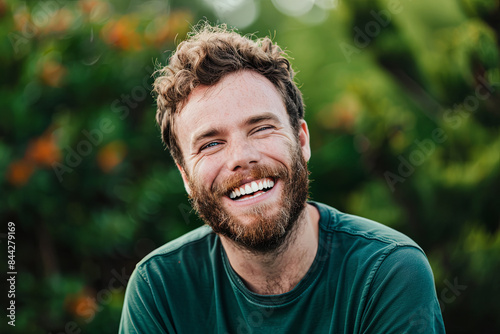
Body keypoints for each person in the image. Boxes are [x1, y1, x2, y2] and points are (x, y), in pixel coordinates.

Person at [119, 23, 445, 333]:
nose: (241, 157)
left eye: (261, 128)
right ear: (186, 177)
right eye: (211, 144)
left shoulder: (387, 273)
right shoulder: (159, 290)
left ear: (302, 140)